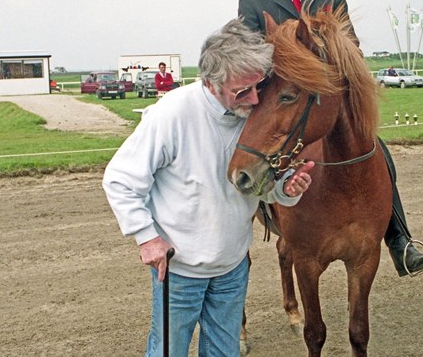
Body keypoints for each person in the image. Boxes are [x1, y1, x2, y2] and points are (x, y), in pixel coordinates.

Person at [103, 18, 314, 357]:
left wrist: (286, 190)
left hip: (231, 268)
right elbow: (120, 179)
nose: (255, 98)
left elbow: (258, 187)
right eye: (242, 91)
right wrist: (146, 237)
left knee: (223, 352)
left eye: (259, 86)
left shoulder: (251, 114)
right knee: (167, 352)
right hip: (178, 270)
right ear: (211, 82)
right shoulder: (172, 113)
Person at [238, 0, 423, 277]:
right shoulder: (252, 2)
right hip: (287, 98)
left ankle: (399, 239)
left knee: (378, 152)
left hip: (331, 100)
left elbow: (352, 47)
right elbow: (253, 58)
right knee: (258, 148)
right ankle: (258, 213)